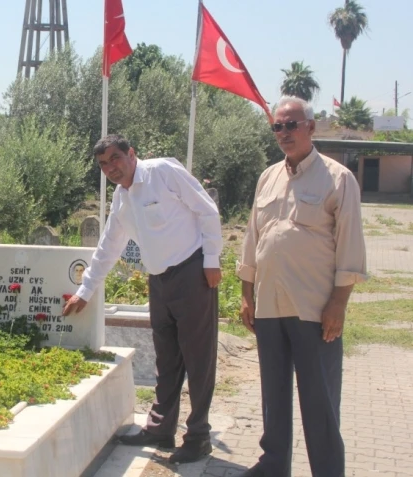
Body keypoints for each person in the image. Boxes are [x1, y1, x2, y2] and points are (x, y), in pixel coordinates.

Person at [63, 134, 223, 464]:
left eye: (115, 159)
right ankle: (160, 428)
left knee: (198, 360)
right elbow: (109, 245)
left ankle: (198, 436)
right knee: (166, 359)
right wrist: (85, 290)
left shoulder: (164, 172)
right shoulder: (122, 198)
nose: (111, 168)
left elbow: (206, 210)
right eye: (103, 164)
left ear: (131, 154)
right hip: (159, 281)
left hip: (192, 273)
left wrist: (212, 261)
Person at [236, 96, 367, 477]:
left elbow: (350, 249)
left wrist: (338, 304)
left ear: (311, 127)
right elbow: (252, 238)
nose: (284, 133)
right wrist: (246, 294)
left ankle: (327, 471)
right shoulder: (267, 177)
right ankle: (273, 465)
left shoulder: (338, 179)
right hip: (270, 306)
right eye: (278, 126)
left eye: (292, 124)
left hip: (314, 308)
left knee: (319, 401)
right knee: (273, 396)